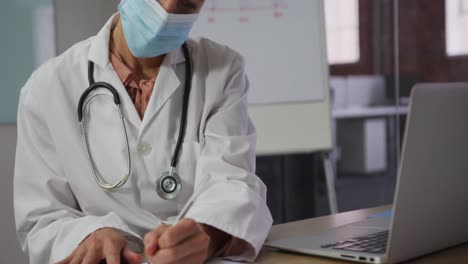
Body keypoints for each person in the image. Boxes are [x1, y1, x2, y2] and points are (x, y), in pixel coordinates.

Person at [13, 0, 272, 263]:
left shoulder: (223, 69)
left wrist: (207, 235)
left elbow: (232, 182)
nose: (166, 11)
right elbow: (42, 219)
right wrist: (88, 234)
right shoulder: (46, 88)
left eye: (185, 4)